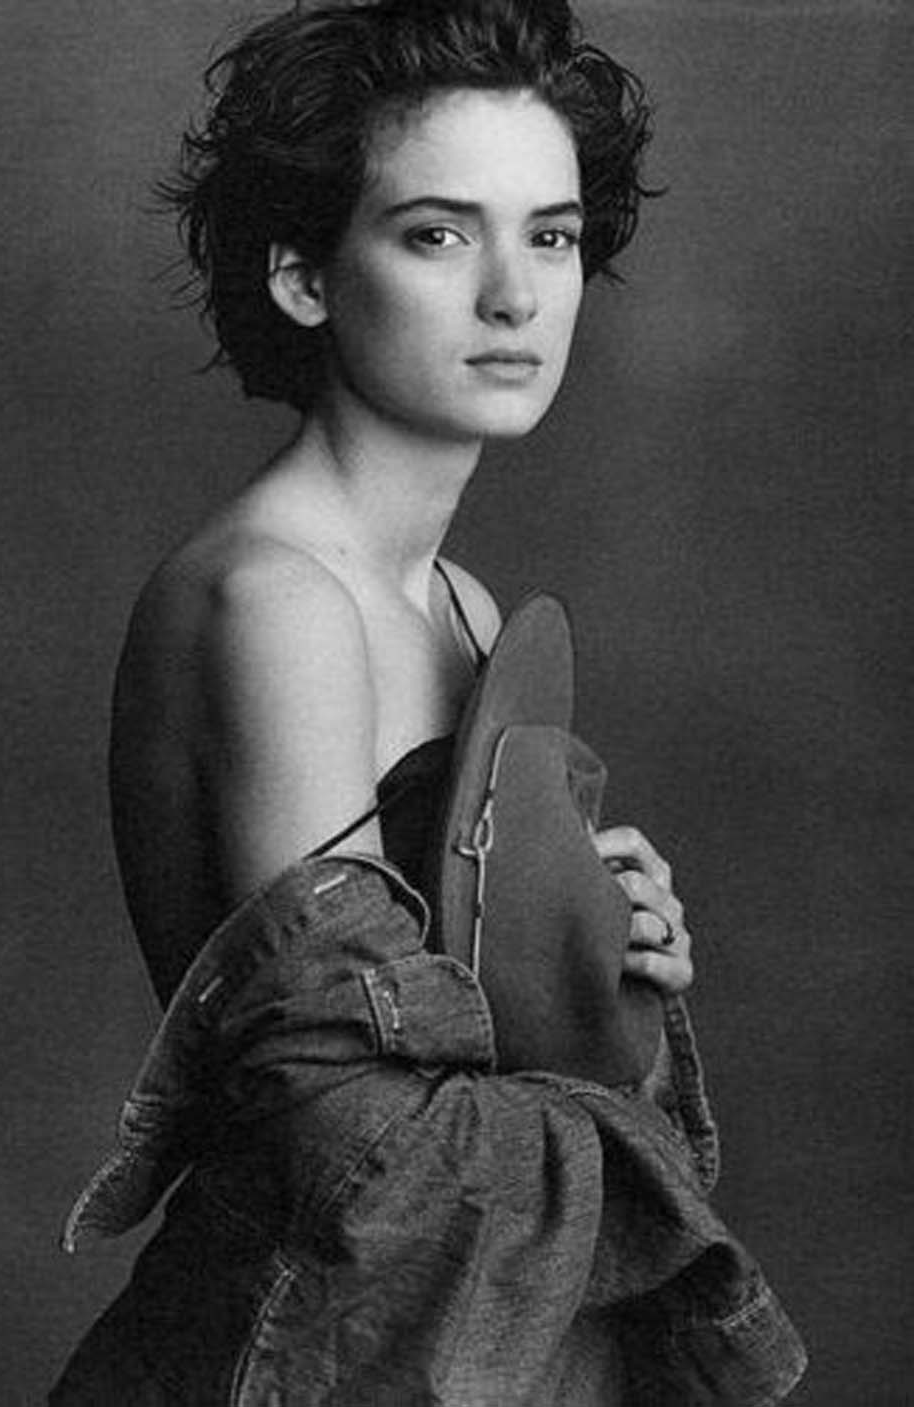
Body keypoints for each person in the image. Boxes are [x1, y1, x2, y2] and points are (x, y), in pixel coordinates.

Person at [51, 1, 807, 1401]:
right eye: (440, 235)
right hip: (298, 1358)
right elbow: (349, 1141)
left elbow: (474, 1036)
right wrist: (598, 1109)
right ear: (303, 276)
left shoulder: (459, 601)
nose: (516, 298)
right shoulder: (278, 601)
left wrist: (599, 961)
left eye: (553, 237)